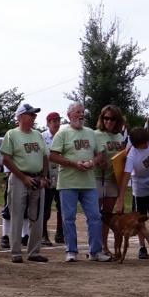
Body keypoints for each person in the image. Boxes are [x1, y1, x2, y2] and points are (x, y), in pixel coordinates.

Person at [49, 102, 110, 262]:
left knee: (95, 216)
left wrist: (92, 163)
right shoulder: (62, 133)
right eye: (77, 112)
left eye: (82, 112)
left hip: (89, 183)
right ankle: (71, 251)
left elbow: (100, 154)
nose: (81, 115)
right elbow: (53, 155)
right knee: (68, 218)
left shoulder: (91, 133)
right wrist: (74, 164)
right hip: (68, 182)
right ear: (69, 115)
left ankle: (95, 252)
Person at [1, 103, 50, 263]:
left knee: (37, 217)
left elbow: (44, 156)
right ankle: (16, 251)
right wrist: (23, 177)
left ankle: (34, 251)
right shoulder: (12, 134)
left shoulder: (37, 135)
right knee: (17, 215)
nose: (34, 117)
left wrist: (43, 177)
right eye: (31, 114)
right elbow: (6, 159)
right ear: (21, 117)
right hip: (19, 178)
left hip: (36, 178)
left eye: (35, 115)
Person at [113, 128, 149, 258]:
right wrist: (121, 199)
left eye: (147, 141)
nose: (146, 145)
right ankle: (142, 247)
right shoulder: (132, 154)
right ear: (136, 145)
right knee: (140, 217)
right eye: (143, 144)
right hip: (140, 183)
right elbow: (126, 175)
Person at [94, 105, 127, 256]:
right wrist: (98, 161)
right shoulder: (94, 134)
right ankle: (95, 246)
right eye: (106, 118)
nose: (109, 121)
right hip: (97, 178)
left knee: (107, 216)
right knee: (95, 215)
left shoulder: (120, 137)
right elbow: (91, 154)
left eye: (113, 118)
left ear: (117, 120)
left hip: (113, 180)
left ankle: (104, 246)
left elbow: (122, 158)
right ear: (102, 119)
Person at [41, 111, 63, 246]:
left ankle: (60, 233)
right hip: (48, 173)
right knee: (46, 206)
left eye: (58, 121)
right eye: (53, 121)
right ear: (48, 123)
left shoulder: (63, 135)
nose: (56, 123)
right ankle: (43, 234)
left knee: (62, 206)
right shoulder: (42, 137)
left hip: (61, 174)